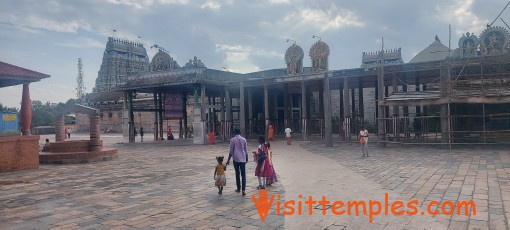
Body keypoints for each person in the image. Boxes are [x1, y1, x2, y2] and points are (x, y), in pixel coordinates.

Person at [226, 129, 248, 196]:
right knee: (243, 175)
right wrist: (247, 158)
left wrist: (228, 160)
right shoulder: (244, 139)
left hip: (235, 158)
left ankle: (238, 188)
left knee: (237, 174)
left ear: (234, 133)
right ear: (240, 133)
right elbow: (246, 149)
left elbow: (231, 151)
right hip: (243, 158)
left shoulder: (232, 140)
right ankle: (243, 190)